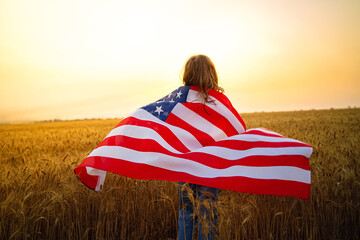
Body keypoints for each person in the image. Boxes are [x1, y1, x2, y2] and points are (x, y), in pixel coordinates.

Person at [177, 54, 222, 240]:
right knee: (208, 213)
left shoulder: (179, 99)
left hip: (184, 164)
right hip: (209, 165)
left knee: (185, 212)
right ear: (211, 73)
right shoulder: (218, 102)